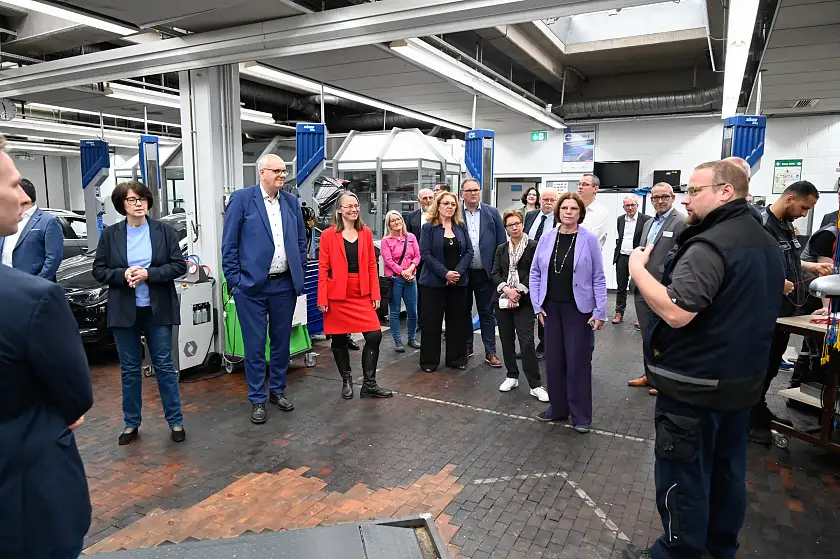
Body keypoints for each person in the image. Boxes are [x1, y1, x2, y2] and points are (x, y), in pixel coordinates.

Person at [622, 159, 785, 559]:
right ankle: (719, 549)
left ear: (725, 191)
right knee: (727, 475)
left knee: (684, 478)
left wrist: (637, 270)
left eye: (694, 191)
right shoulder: (765, 241)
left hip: (695, 388)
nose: (686, 199)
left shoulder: (710, 245)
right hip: (739, 385)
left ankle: (677, 553)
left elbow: (678, 311)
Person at [0, 135, 94, 559]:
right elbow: (76, 396)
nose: (23, 197)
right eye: (13, 184)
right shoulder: (32, 301)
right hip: (27, 504)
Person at [92, 181, 187, 445]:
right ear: (121, 205)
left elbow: (178, 266)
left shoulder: (163, 231)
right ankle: (131, 423)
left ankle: (176, 421)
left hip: (157, 310)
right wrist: (123, 274)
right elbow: (99, 270)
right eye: (132, 200)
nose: (139, 204)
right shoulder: (110, 235)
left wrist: (149, 274)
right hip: (125, 311)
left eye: (142, 199)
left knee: (165, 367)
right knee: (130, 370)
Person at [222, 154, 308, 424]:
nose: (282, 175)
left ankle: (277, 390)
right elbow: (229, 244)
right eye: (277, 171)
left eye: (284, 171)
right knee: (255, 345)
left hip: (284, 285)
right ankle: (257, 398)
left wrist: (299, 270)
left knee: (281, 342)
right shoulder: (242, 199)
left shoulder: (291, 202)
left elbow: (301, 241)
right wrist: (236, 281)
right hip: (251, 287)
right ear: (262, 172)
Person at [750, 181, 827, 444]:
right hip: (763, 313)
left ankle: (758, 408)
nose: (805, 214)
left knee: (771, 366)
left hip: (784, 313)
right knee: (758, 368)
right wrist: (776, 282)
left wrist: (811, 267)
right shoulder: (761, 225)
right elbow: (750, 268)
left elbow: (789, 259)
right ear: (790, 198)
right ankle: (747, 419)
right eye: (804, 208)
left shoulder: (785, 226)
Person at [529, 192, 606, 433]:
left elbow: (598, 276)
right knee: (554, 361)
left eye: (574, 208)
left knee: (577, 362)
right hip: (550, 309)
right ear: (558, 211)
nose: (569, 212)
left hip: (578, 310)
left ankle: (581, 416)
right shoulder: (546, 238)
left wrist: (600, 311)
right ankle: (558, 409)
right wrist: (537, 305)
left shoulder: (589, 239)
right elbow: (535, 273)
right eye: (564, 208)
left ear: (580, 213)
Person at [318, 192, 392, 399]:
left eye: (356, 205)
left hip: (361, 292)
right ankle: (347, 380)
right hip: (336, 294)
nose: (354, 209)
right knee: (339, 338)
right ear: (339, 210)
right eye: (349, 206)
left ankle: (369, 384)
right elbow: (323, 268)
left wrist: (375, 293)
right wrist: (322, 298)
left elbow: (371, 264)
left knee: (374, 335)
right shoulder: (328, 235)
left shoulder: (365, 232)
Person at [628, 183, 687, 391]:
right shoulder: (648, 223)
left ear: (673, 197)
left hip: (663, 288)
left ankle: (665, 380)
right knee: (647, 335)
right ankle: (650, 375)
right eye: (655, 197)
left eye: (664, 197)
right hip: (642, 286)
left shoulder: (682, 222)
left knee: (664, 336)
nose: (659, 201)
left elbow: (682, 255)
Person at [492, 210, 548, 402]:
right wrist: (507, 290)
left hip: (525, 301)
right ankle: (511, 375)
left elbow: (536, 270)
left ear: (523, 224)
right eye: (510, 225)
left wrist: (519, 291)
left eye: (517, 223)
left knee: (526, 342)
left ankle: (535, 384)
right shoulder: (501, 248)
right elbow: (495, 272)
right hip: (503, 300)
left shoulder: (534, 246)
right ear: (506, 228)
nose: (514, 227)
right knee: (506, 340)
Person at [418, 191, 474, 372]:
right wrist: (445, 274)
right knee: (431, 323)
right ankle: (429, 362)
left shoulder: (460, 226)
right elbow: (425, 253)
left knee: (457, 322)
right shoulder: (428, 227)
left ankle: (456, 359)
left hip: (458, 283)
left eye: (453, 204)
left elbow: (469, 252)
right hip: (433, 284)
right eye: (446, 203)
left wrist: (457, 273)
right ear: (438, 206)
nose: (450, 207)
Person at [460, 178, 506, 367]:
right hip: (463, 273)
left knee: (487, 313)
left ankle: (490, 352)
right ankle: (467, 347)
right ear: (462, 193)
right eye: (469, 190)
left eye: (476, 190)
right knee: (463, 312)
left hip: (485, 273)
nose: (473, 193)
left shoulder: (492, 213)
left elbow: (501, 243)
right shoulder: (455, 213)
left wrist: (498, 271)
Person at [0, 177, 63, 279]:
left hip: (31, 283)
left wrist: (38, 283)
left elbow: (53, 259)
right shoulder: (7, 219)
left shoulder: (48, 221)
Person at [524, 187, 559, 359]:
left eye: (552, 200)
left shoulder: (559, 220)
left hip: (548, 270)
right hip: (528, 267)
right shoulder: (530, 216)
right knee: (527, 307)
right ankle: (527, 345)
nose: (548, 203)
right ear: (540, 200)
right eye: (545, 199)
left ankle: (545, 345)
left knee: (544, 307)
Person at [381, 210, 421, 352]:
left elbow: (417, 256)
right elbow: (388, 261)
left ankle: (411, 338)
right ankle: (398, 341)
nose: (396, 222)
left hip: (410, 279)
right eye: (393, 220)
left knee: (413, 311)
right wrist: (403, 272)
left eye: (398, 219)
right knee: (395, 311)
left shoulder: (411, 237)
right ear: (388, 224)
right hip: (395, 280)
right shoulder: (386, 241)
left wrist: (410, 269)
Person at [613, 195, 650, 324]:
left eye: (632, 205)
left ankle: (641, 317)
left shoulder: (646, 220)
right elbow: (621, 237)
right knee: (621, 287)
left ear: (637, 206)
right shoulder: (620, 219)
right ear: (623, 207)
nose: (630, 208)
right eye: (627, 205)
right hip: (622, 256)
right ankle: (619, 313)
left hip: (637, 258)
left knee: (640, 288)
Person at [406, 187, 435, 331]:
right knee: (418, 292)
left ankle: (434, 322)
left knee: (434, 292)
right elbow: (407, 238)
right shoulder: (412, 216)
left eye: (430, 197)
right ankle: (421, 322)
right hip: (417, 261)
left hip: (435, 260)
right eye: (425, 198)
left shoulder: (441, 215)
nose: (428, 201)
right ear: (419, 201)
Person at [578, 173, 609, 248]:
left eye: (585, 184)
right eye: (579, 184)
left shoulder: (601, 212)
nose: (580, 187)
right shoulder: (573, 209)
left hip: (589, 253)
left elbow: (591, 238)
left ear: (595, 189)